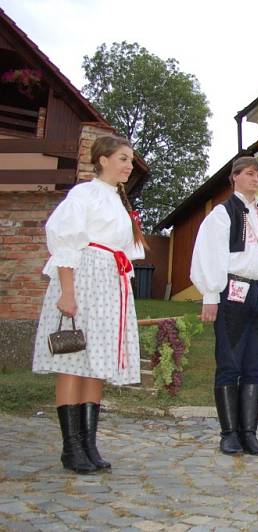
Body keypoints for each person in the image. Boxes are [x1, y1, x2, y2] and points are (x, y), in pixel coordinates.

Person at [32, 135, 145, 474]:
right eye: (123, 159)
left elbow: (123, 248)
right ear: (103, 160)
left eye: (130, 160)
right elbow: (65, 242)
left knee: (97, 361)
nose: (129, 165)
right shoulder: (84, 194)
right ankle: (71, 447)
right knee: (73, 361)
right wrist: (67, 292)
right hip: (84, 277)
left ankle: (89, 443)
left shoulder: (119, 200)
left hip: (110, 283)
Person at [190, 156, 258, 456]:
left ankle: (249, 433)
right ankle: (229, 434)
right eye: (250, 174)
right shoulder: (222, 214)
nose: (256, 179)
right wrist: (210, 295)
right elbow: (209, 254)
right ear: (235, 177)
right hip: (233, 293)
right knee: (229, 362)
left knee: (254, 365)